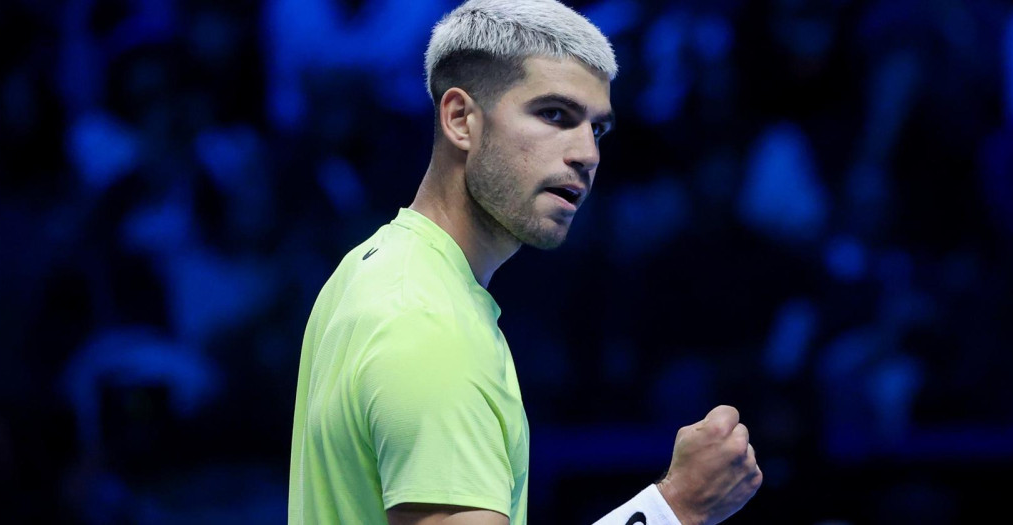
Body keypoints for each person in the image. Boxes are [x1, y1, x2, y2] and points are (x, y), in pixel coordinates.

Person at [287, 1, 763, 523]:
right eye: (554, 115)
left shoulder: (374, 267)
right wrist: (675, 508)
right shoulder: (428, 324)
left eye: (597, 129)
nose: (587, 154)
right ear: (460, 120)